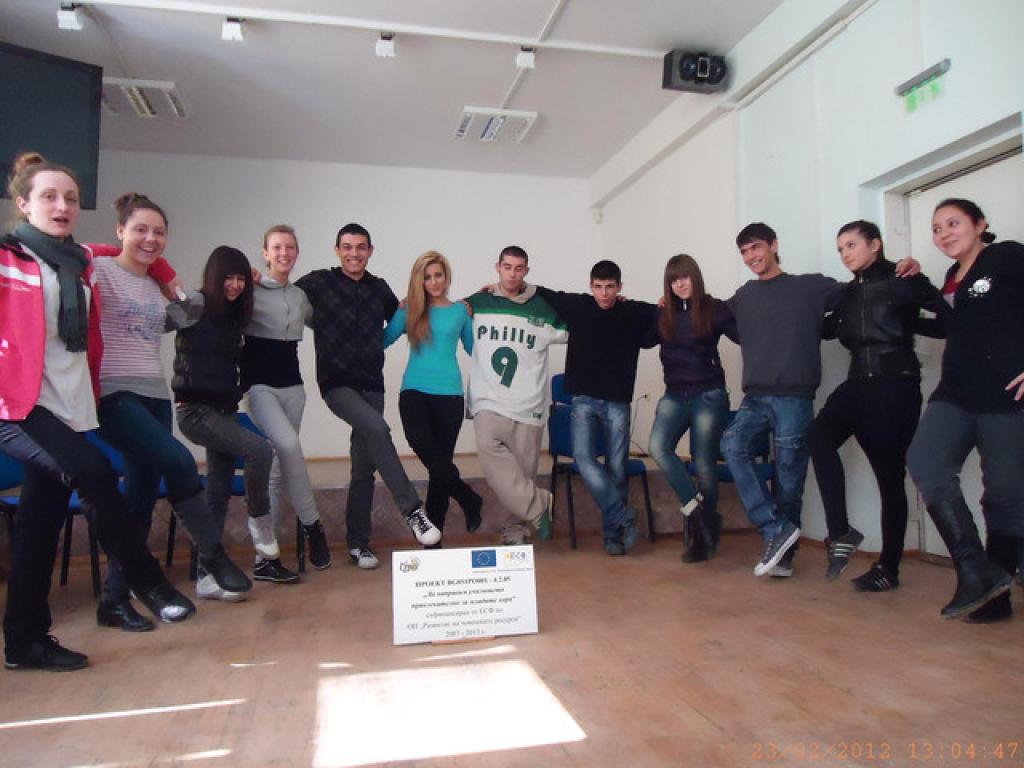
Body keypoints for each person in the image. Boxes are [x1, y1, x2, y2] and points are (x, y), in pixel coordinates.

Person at [0, 152, 193, 671]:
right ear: (23, 204)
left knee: (38, 526)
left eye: (70, 198)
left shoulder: (79, 261)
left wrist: (168, 276)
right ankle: (147, 581)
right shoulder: (7, 258)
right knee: (95, 472)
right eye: (48, 196)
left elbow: (130, 250)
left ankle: (24, 641)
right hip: (16, 407)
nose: (62, 206)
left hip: (66, 405)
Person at [94, 193, 253, 627]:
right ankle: (213, 556)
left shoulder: (157, 286)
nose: (150, 238)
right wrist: (106, 252)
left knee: (140, 501)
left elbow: (187, 316)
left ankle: (114, 600)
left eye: (159, 232)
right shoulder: (101, 270)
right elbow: (75, 258)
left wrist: (172, 282)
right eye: (140, 230)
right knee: (180, 462)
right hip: (113, 392)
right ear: (120, 230)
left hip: (155, 396)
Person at [295, 223, 440, 570]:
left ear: (370, 251)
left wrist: (458, 306)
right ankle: (413, 511)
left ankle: (358, 544)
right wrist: (256, 280)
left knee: (363, 468)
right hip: (336, 384)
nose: (354, 253)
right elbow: (282, 295)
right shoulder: (319, 282)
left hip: (372, 384)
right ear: (337, 250)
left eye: (361, 247)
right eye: (347, 247)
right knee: (377, 428)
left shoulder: (379, 288)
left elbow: (405, 319)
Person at [808, 220, 942, 592]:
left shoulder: (904, 279)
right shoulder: (847, 294)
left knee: (889, 478)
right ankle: (841, 532)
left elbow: (948, 320)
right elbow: (823, 329)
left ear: (875, 244)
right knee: (818, 437)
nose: (845, 254)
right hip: (857, 384)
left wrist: (911, 321)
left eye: (851, 245)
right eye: (840, 248)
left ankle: (889, 567)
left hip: (895, 385)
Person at [906, 198, 1022, 621]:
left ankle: (995, 597)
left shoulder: (1006, 257)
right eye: (937, 228)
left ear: (980, 224)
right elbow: (947, 325)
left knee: (1005, 495)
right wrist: (914, 290)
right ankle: (975, 569)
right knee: (926, 461)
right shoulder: (953, 277)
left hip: (1005, 395)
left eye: (953, 223)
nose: (944, 234)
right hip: (955, 393)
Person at [174, 245, 300, 596]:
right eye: (227, 278)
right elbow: (161, 320)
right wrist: (166, 287)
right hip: (194, 410)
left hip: (224, 410)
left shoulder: (234, 316)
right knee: (260, 450)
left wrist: (254, 281)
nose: (234, 285)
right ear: (213, 277)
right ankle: (260, 523)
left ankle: (207, 576)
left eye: (240, 278)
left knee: (217, 492)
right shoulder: (196, 303)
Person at [721, 223, 845, 578]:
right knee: (732, 445)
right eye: (744, 252)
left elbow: (858, 293)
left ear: (774, 245)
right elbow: (711, 316)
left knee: (789, 479)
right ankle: (776, 528)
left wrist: (903, 268)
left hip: (794, 397)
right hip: (756, 397)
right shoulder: (744, 296)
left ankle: (784, 559)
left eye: (756, 247)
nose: (751, 257)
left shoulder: (809, 287)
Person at [532, 260, 658, 555]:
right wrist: (493, 292)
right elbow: (541, 292)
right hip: (583, 399)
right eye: (598, 287)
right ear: (591, 286)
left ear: (619, 287)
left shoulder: (633, 311)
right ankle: (622, 515)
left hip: (617, 402)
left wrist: (666, 301)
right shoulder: (578, 306)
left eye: (609, 287)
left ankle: (613, 535)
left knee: (617, 468)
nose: (603, 293)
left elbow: (665, 312)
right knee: (583, 458)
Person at [466, 245, 568, 546]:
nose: (512, 274)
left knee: (522, 475)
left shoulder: (543, 308)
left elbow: (583, 327)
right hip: (488, 399)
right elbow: (444, 310)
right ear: (497, 267)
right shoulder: (478, 303)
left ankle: (515, 531)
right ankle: (539, 504)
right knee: (489, 450)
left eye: (519, 268)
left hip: (529, 403)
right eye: (507, 267)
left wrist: (613, 306)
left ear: (527, 271)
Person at [243, 225, 331, 570]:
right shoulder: (249, 290)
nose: (284, 253)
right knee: (290, 446)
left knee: (277, 469)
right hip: (259, 386)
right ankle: (313, 524)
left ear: (297, 253)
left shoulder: (299, 296)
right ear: (266, 253)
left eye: (290, 247)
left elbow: (325, 325)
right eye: (277, 248)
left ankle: (265, 557)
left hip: (293, 388)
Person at [383, 251, 482, 542]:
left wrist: (482, 312)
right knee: (420, 443)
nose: (434, 281)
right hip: (414, 390)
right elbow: (382, 340)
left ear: (447, 276)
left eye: (439, 275)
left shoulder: (460, 311)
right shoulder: (409, 310)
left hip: (450, 395)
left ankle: (433, 543)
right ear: (420, 281)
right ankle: (468, 497)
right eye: (427, 277)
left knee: (440, 470)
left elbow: (475, 350)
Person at [648, 254, 737, 563]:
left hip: (709, 394)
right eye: (674, 280)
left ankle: (702, 536)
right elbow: (640, 335)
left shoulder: (714, 309)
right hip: (675, 394)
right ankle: (701, 516)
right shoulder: (664, 315)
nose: (680, 284)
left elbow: (744, 333)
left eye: (684, 277)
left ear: (695, 277)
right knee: (658, 447)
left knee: (703, 462)